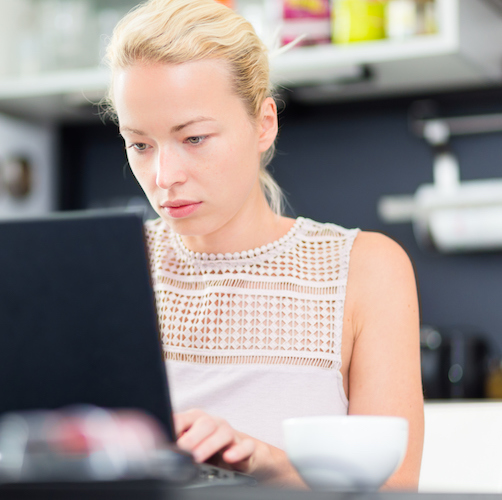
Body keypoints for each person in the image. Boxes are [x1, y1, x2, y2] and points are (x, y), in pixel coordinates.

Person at [102, 0, 424, 490]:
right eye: (140, 145)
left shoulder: (366, 270)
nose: (163, 177)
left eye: (194, 138)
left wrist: (264, 462)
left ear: (264, 123)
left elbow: (395, 490)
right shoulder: (109, 269)